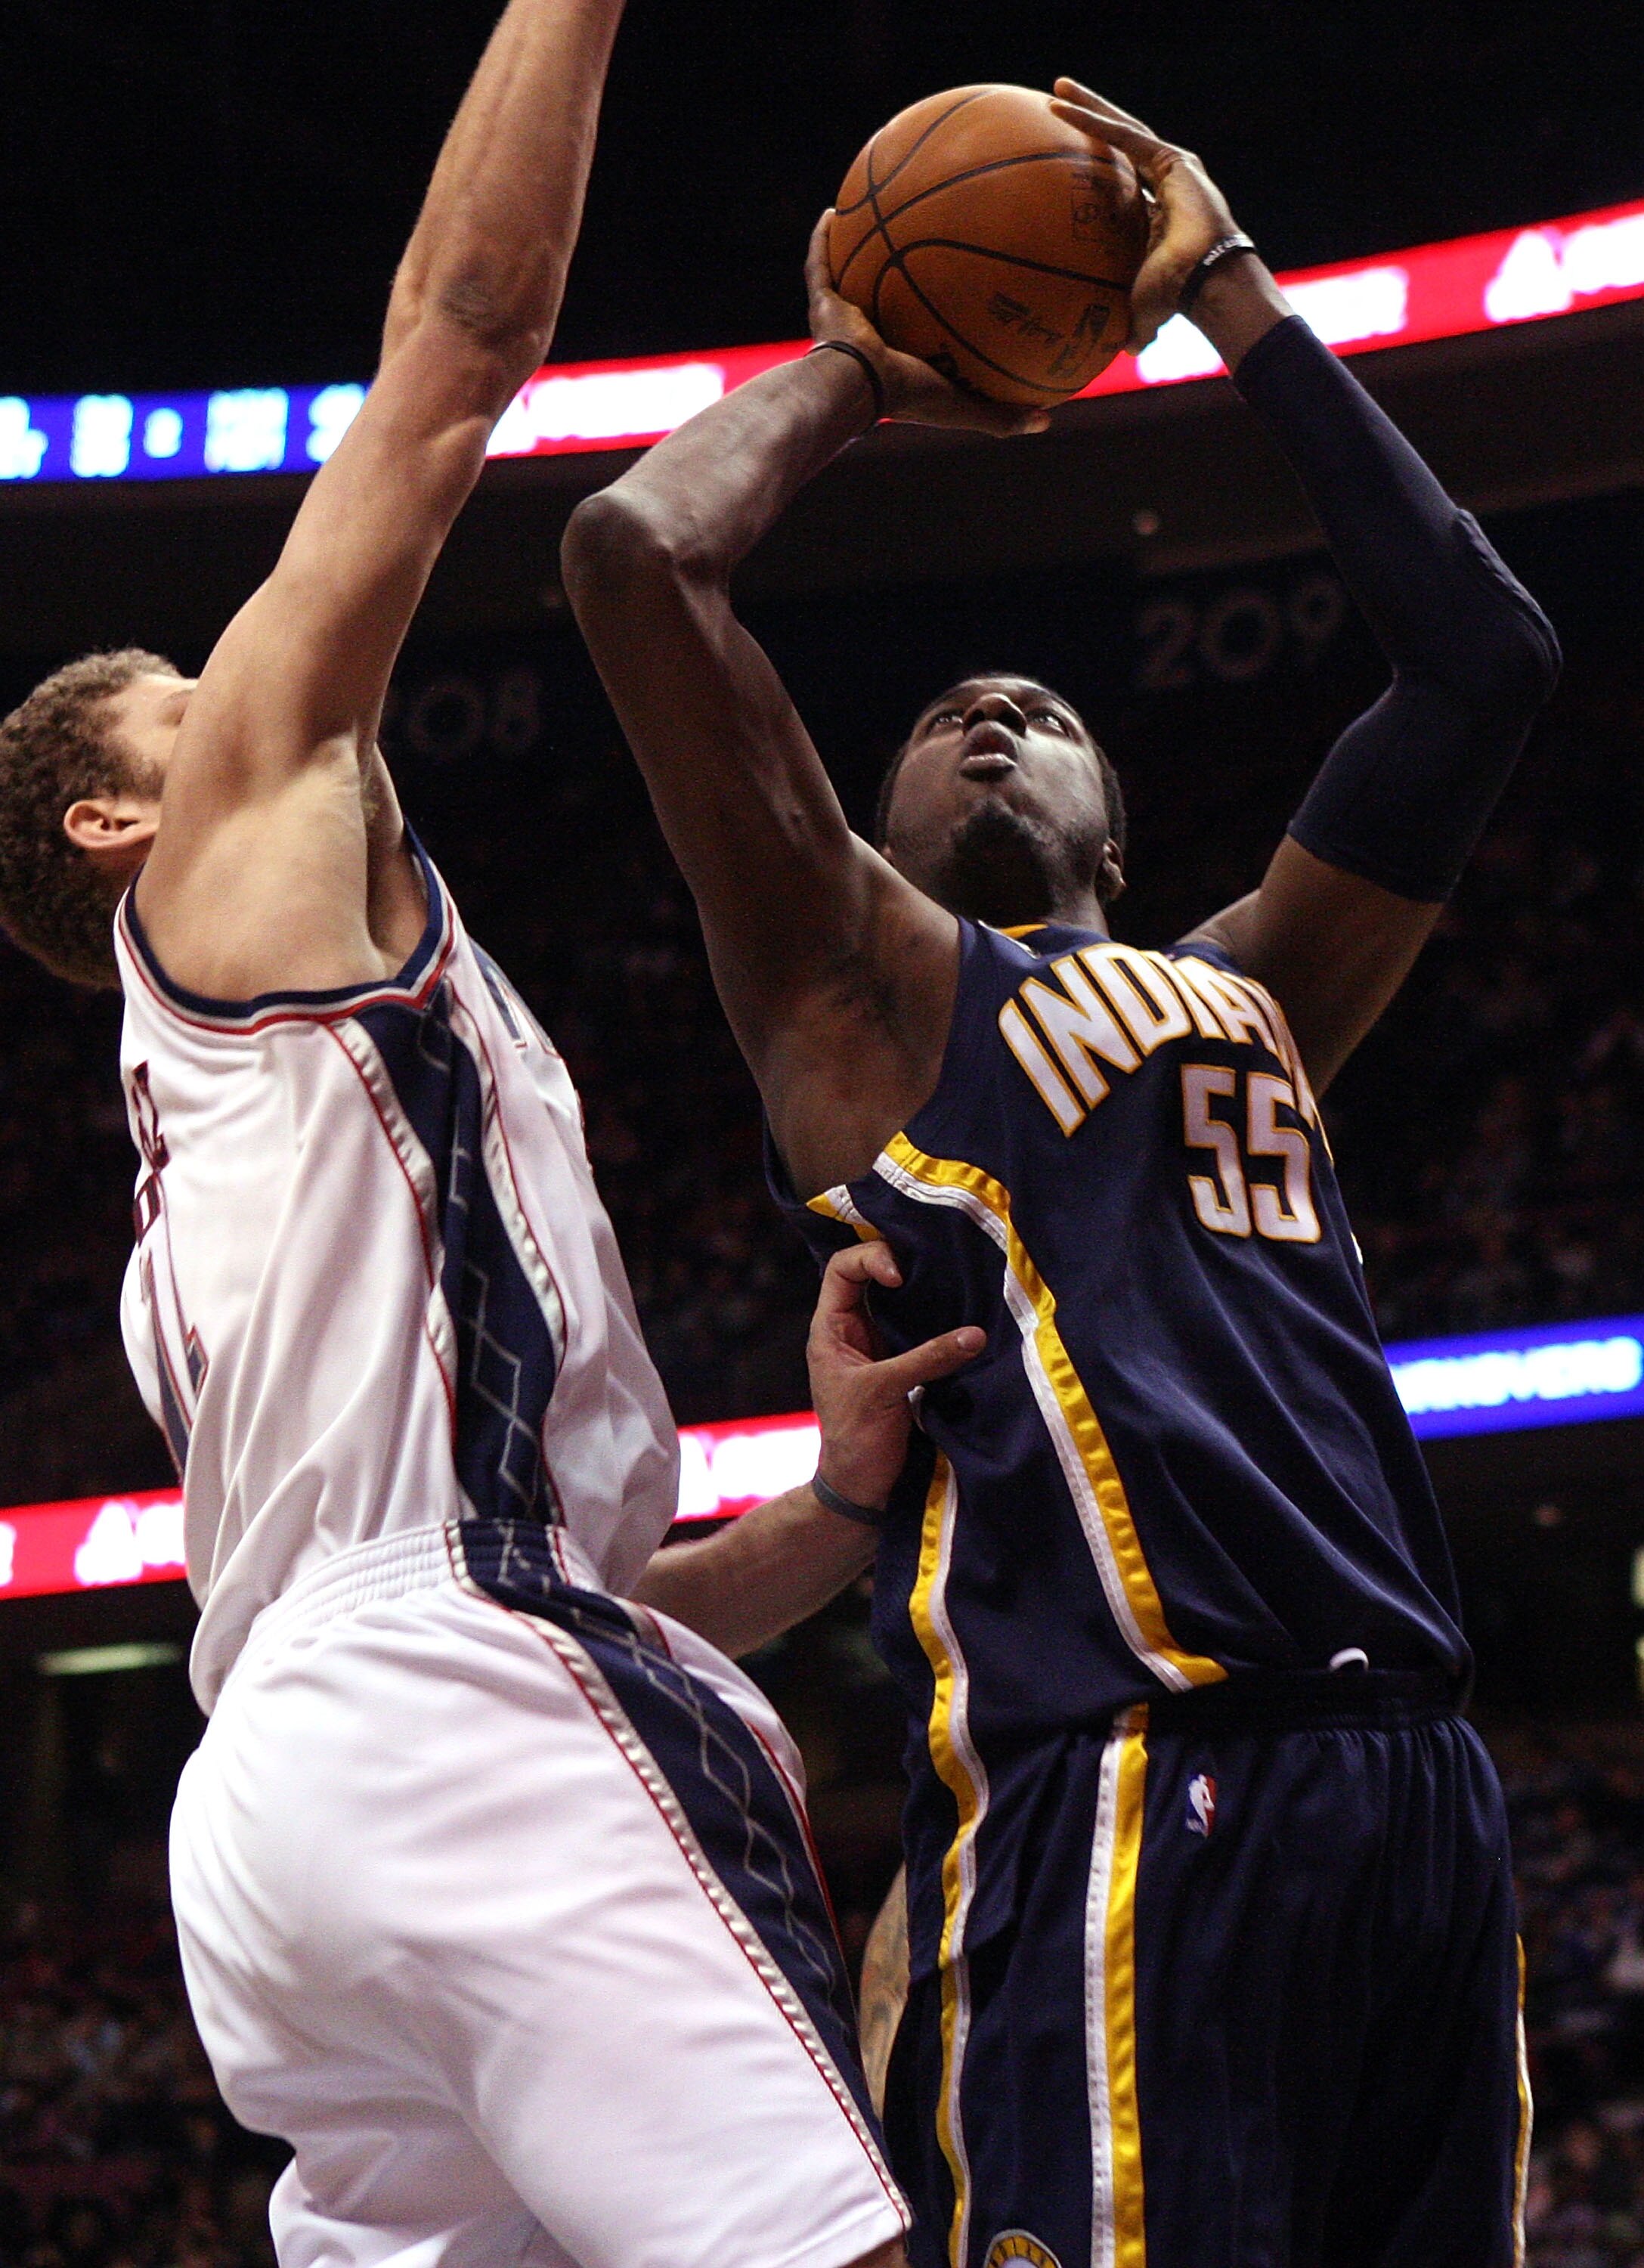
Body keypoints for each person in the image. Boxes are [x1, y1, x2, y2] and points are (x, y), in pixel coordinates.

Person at [0, 8, 992, 2265]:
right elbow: (460, 343)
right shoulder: (234, 858)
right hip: (444, 1725)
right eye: (201, 682)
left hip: (286, 1823)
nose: (267, 673)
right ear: (116, 814)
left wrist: (836, 1504)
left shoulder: (238, 1150)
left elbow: (564, 1588)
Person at [561, 79, 1562, 2268]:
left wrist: (1229, 289)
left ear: (1120, 805)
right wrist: (859, 370)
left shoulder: (1271, 980)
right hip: (1132, 1787)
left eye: (1036, 706)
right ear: (873, 819)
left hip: (1420, 1790)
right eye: (941, 720)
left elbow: (1486, 654)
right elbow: (635, 554)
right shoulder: (861, 988)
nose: (990, 715)